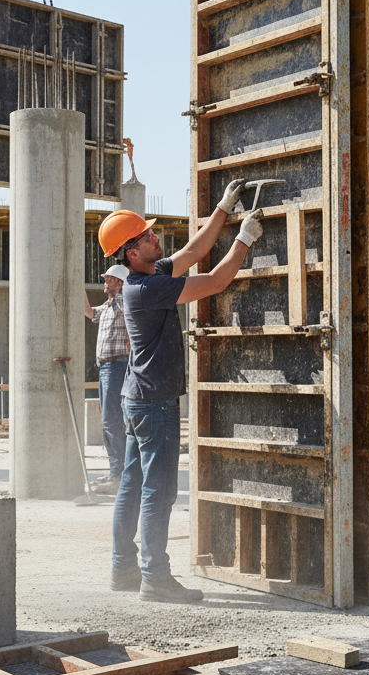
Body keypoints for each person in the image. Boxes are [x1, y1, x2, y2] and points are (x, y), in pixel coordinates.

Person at [98, 179, 262, 604]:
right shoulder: (148, 288)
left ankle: (122, 569)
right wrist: (244, 240)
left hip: (137, 398)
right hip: (155, 404)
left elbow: (192, 252)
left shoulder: (148, 276)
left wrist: (223, 209)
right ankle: (155, 578)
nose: (155, 236)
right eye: (146, 236)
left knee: (132, 485)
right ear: (131, 253)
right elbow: (214, 281)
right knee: (159, 492)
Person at [84, 263, 130, 494]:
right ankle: (117, 472)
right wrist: (77, 287)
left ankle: (120, 474)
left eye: (109, 279)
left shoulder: (123, 302)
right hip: (106, 367)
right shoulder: (109, 305)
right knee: (108, 421)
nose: (105, 282)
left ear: (120, 283)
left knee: (112, 420)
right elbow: (89, 313)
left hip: (117, 365)